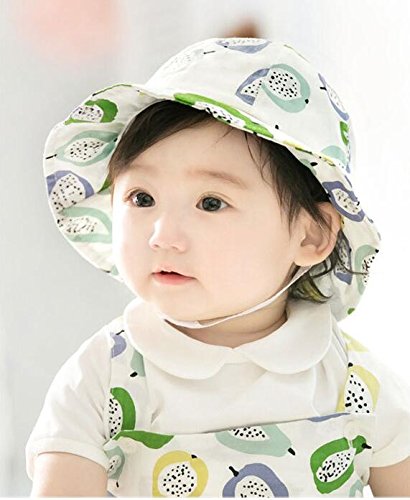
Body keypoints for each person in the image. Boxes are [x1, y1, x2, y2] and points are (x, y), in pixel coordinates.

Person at [26, 37, 410, 497]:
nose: (162, 235)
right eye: (142, 198)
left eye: (210, 203)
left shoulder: (350, 378)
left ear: (309, 235)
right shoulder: (104, 377)